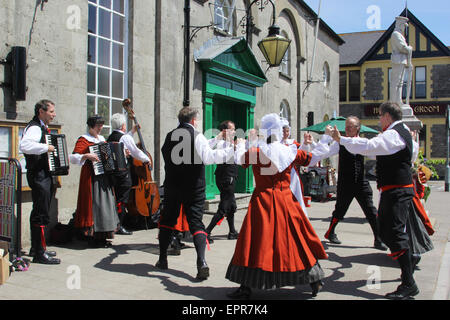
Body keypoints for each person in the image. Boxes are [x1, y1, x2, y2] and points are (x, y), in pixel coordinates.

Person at [225, 113, 328, 299]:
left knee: (255, 242)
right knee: (296, 241)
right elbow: (311, 158)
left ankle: (246, 286)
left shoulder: (258, 152)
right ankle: (315, 280)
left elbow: (240, 160)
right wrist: (326, 140)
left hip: (263, 200)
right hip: (286, 200)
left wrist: (240, 144)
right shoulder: (290, 150)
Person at [330, 102, 419, 300]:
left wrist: (341, 139)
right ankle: (408, 260)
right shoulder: (402, 131)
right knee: (386, 232)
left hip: (397, 190)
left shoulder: (394, 134)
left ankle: (408, 282)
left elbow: (370, 146)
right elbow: (374, 151)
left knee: (393, 232)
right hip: (393, 189)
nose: (379, 120)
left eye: (380, 116)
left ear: (387, 116)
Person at [157, 107, 235, 280]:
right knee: (196, 223)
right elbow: (207, 157)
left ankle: (162, 259)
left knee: (168, 219)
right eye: (197, 120)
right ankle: (201, 262)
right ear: (193, 120)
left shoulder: (170, 135)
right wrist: (232, 151)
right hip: (193, 186)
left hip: (173, 184)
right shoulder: (197, 136)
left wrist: (216, 138)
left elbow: (168, 153)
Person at [303, 116, 387, 251]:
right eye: (346, 127)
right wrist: (314, 144)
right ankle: (330, 232)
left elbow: (375, 154)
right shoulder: (339, 143)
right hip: (345, 182)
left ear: (357, 128)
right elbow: (326, 153)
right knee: (340, 210)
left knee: (370, 211)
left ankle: (378, 239)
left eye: (350, 126)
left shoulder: (363, 142)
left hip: (361, 182)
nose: (347, 129)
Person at [19, 99, 61, 264]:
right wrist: (46, 147)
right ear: (41, 112)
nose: (54, 114)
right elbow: (25, 146)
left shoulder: (40, 127)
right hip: (39, 175)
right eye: (51, 112)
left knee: (39, 211)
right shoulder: (35, 127)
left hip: (42, 175)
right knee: (41, 213)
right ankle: (39, 253)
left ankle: (37, 248)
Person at [70, 115, 119, 248]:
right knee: (95, 206)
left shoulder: (102, 139)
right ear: (91, 126)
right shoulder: (84, 139)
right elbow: (73, 157)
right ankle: (92, 237)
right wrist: (86, 156)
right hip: (91, 177)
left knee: (105, 206)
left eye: (101, 125)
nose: (100, 128)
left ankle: (103, 237)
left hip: (104, 177)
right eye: (98, 126)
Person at [107, 113, 151, 235]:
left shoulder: (111, 136)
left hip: (112, 173)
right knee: (122, 200)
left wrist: (132, 131)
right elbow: (135, 151)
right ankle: (119, 225)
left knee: (116, 198)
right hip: (123, 174)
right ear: (122, 126)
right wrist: (146, 159)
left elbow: (124, 141)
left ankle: (113, 223)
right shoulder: (125, 138)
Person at [205, 120, 239, 243]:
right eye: (232, 129)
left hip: (229, 176)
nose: (234, 131)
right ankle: (206, 232)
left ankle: (232, 232)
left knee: (232, 205)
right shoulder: (222, 144)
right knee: (224, 206)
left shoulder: (230, 143)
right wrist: (235, 147)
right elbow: (225, 156)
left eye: (234, 129)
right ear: (225, 131)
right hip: (226, 178)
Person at [390, 16, 413, 107]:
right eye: (403, 25)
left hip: (401, 61)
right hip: (398, 60)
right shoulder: (396, 34)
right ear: (400, 24)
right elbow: (402, 47)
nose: (404, 28)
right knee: (396, 82)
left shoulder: (399, 34)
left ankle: (398, 100)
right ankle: (394, 102)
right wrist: (409, 48)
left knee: (400, 82)